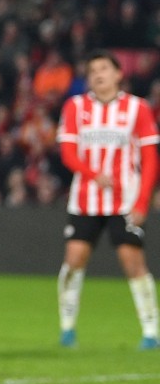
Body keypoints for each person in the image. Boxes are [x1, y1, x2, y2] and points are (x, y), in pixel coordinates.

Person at [56, 50, 159, 349]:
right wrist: (93, 173)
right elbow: (67, 153)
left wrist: (141, 203)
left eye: (104, 68)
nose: (98, 74)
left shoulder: (138, 108)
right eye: (92, 71)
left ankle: (151, 331)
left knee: (132, 263)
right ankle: (67, 328)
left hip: (124, 200)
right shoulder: (75, 107)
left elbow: (151, 160)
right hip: (85, 199)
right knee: (74, 260)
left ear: (118, 74)